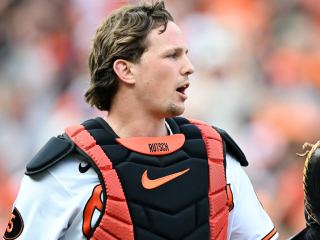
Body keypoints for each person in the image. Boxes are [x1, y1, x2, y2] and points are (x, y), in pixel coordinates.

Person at [3, 1, 278, 240]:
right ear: (126, 70)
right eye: (172, 55)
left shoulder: (215, 155)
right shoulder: (66, 169)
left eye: (186, 54)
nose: (189, 67)